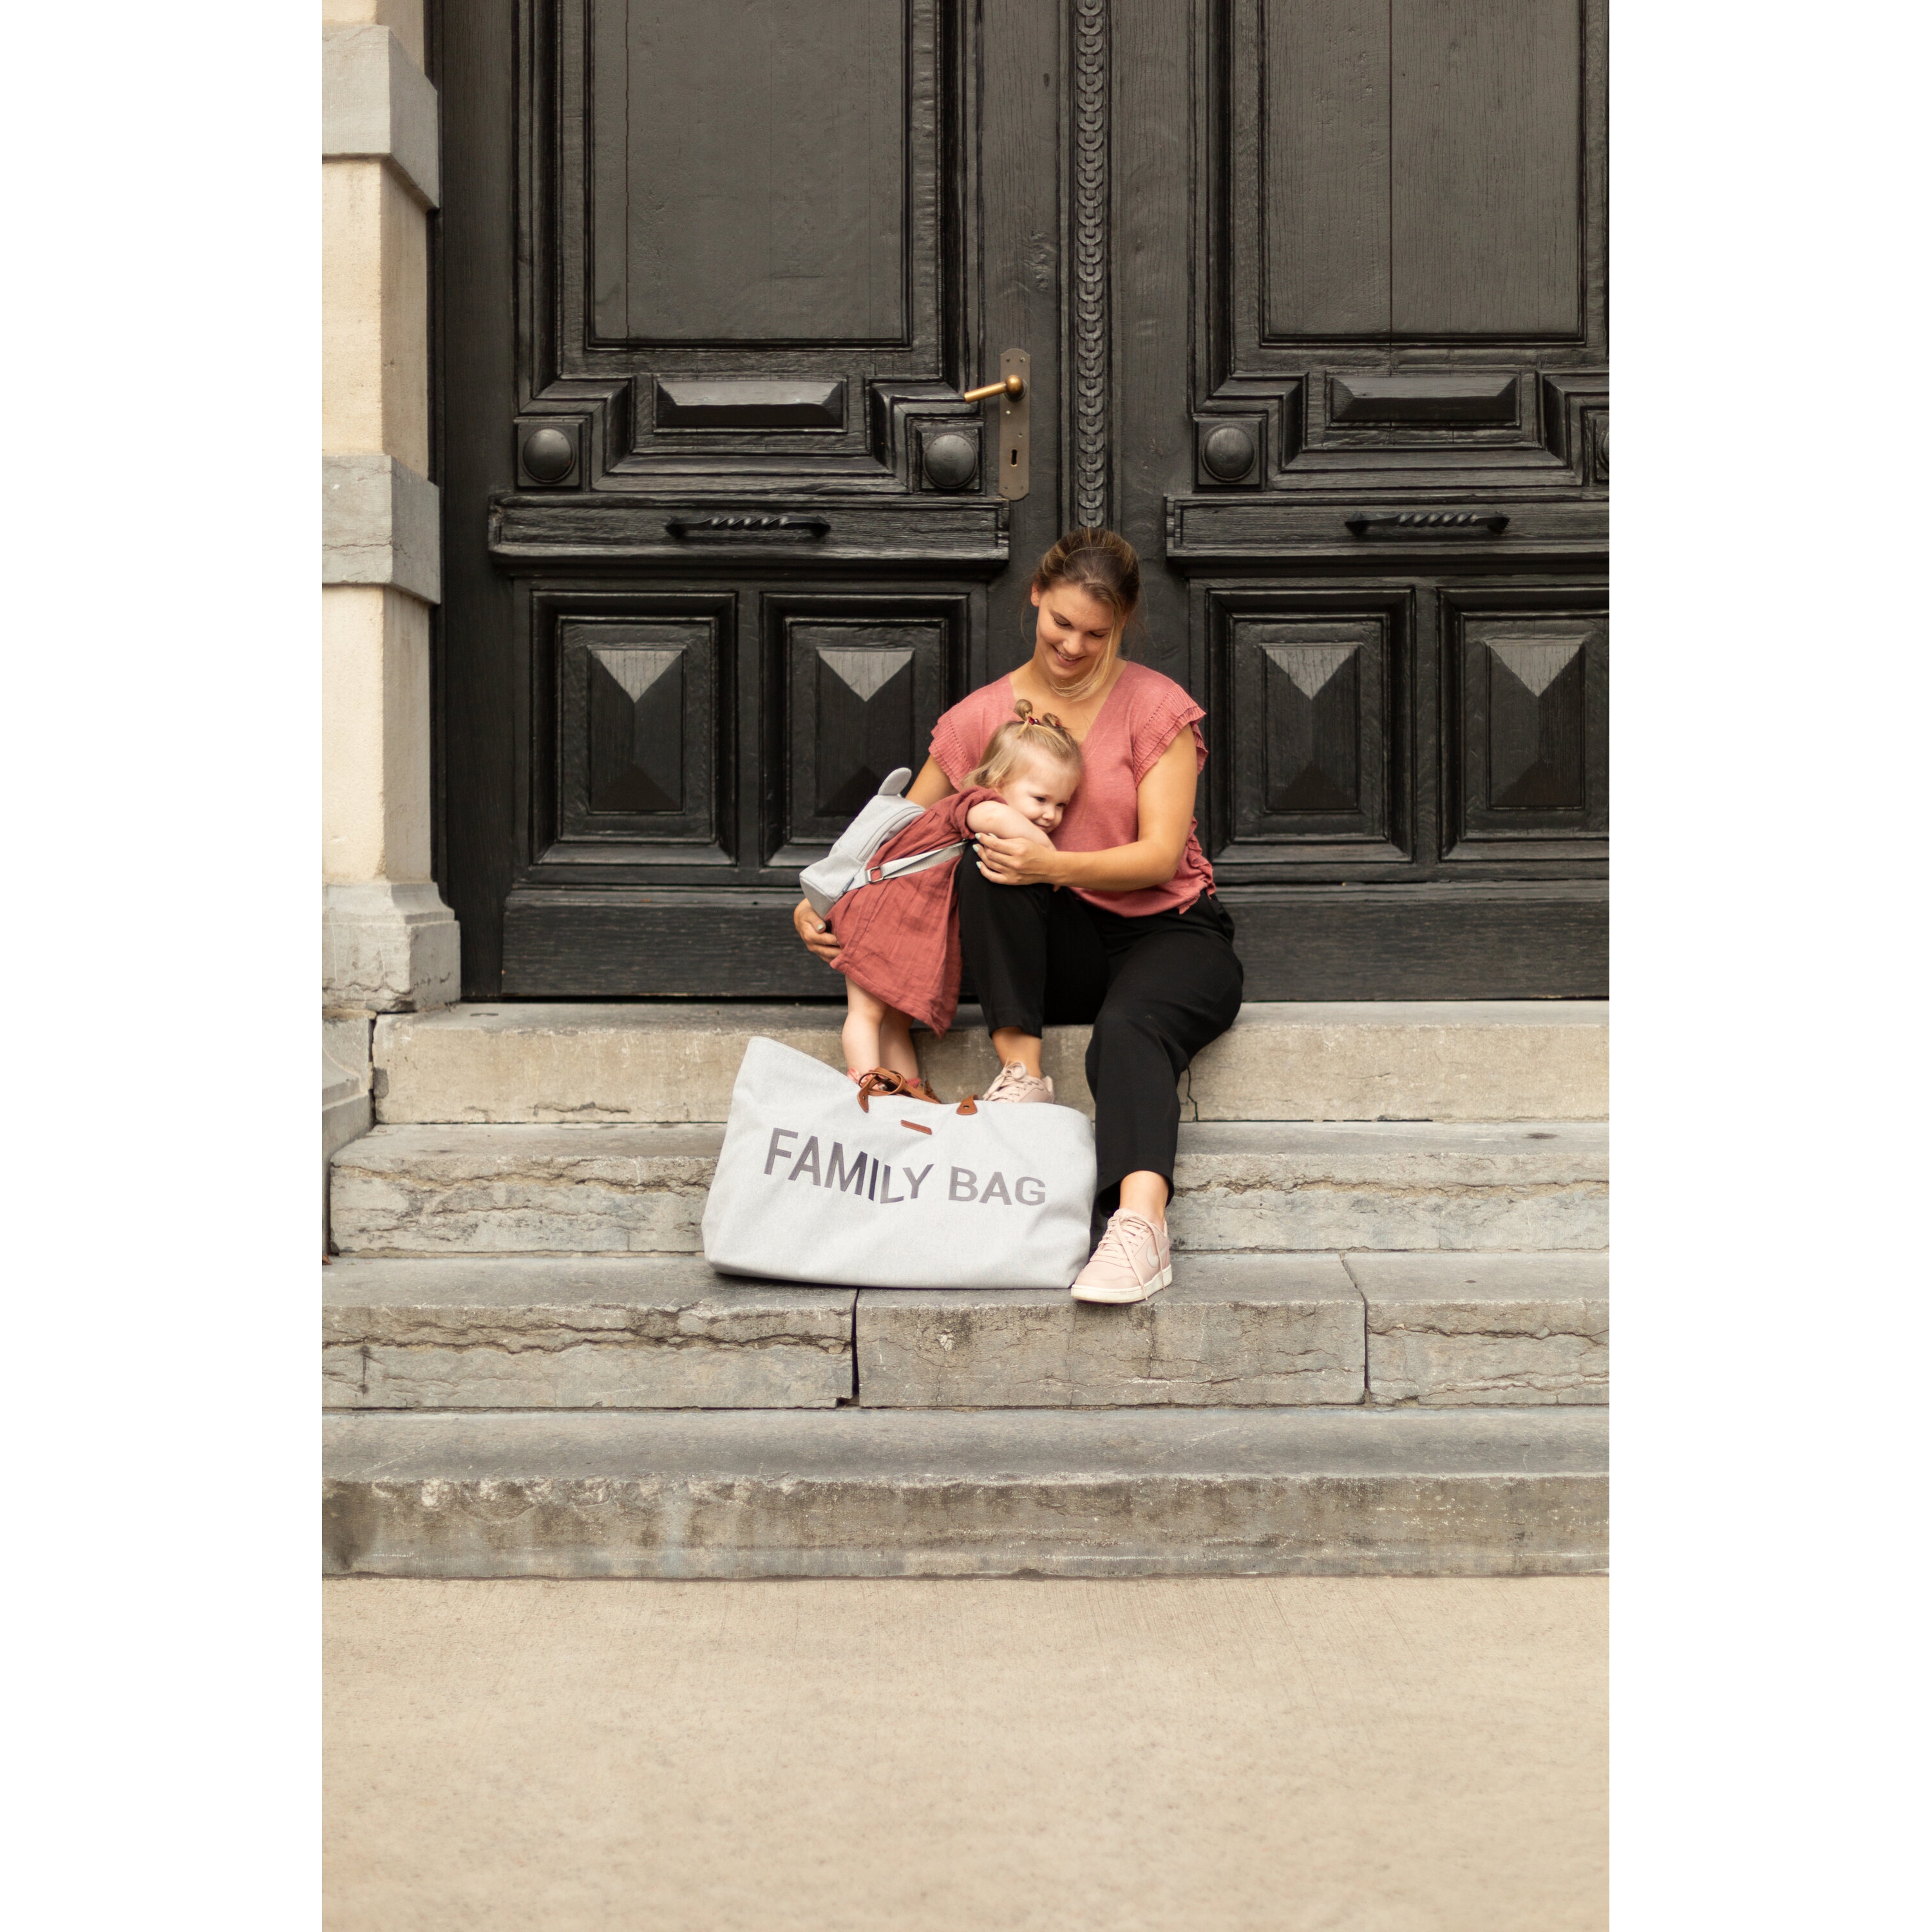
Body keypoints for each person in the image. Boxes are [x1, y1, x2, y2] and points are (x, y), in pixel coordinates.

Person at [793, 527, 1243, 1305]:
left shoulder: (1155, 707)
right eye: (1061, 622)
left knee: (1129, 1029)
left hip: (1172, 933)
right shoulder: (979, 718)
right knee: (983, 849)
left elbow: (1159, 856)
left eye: (1096, 633)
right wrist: (822, 900)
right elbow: (901, 838)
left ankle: (1138, 1229)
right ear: (1036, 595)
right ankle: (1022, 1072)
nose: (1073, 645)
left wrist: (1054, 864)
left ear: (1123, 624)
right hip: (1051, 950)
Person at [828, 704, 1083, 1086]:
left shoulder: (991, 809)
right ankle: (867, 1081)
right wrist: (1049, 855)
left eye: (1061, 805)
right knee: (867, 1014)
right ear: (998, 784)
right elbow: (997, 820)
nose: (1051, 815)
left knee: (896, 1020)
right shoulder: (980, 804)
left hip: (905, 923)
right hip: (878, 915)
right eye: (1041, 799)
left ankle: (907, 1091)